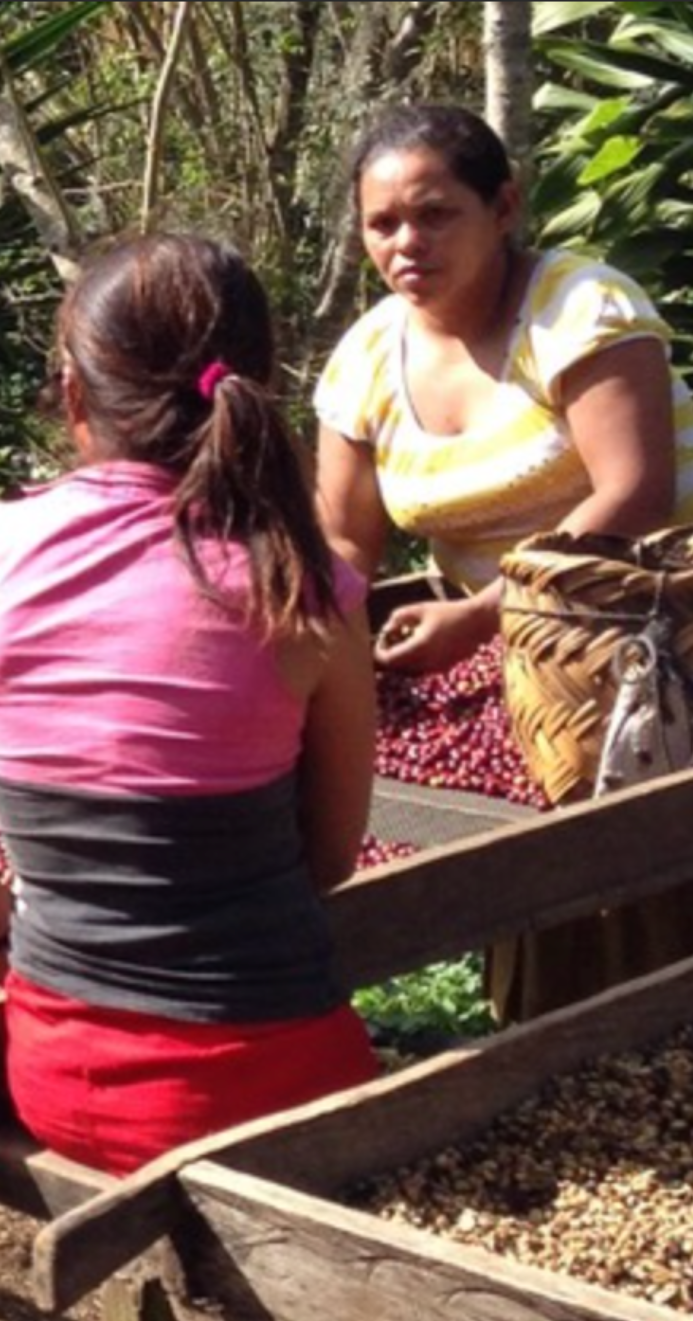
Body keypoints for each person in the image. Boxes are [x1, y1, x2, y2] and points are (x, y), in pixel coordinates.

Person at [0, 232, 379, 1176]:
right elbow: (328, 857)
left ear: (74, 396)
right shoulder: (308, 587)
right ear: (255, 381)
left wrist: (12, 932)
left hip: (58, 1084)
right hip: (275, 1092)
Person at [312, 101, 693, 1020]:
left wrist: (482, 620)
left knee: (633, 866)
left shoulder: (579, 309)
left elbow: (632, 495)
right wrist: (308, 649)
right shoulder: (368, 357)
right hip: (509, 666)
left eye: (437, 213)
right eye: (383, 223)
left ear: (506, 206)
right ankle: (546, 1025)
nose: (408, 242)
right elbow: (345, 542)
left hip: (648, 629)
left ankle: (641, 1018)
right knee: (527, 867)